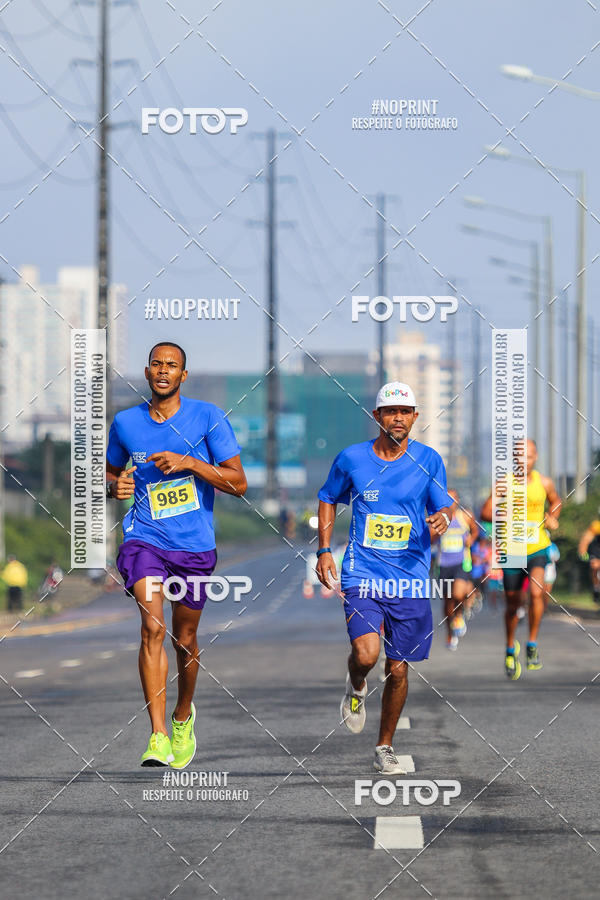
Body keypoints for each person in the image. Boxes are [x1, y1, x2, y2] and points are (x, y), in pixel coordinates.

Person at [106, 342, 247, 768]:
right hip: (144, 538)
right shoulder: (125, 423)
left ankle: (183, 714)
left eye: (172, 365)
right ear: (147, 372)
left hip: (193, 546)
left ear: (183, 375)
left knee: (184, 640)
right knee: (152, 627)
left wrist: (191, 463)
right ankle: (158, 735)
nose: (164, 370)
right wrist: (114, 486)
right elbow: (109, 474)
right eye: (157, 364)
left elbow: (238, 483)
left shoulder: (208, 417)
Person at [316, 382, 451, 775]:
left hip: (410, 577)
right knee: (366, 654)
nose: (398, 418)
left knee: (399, 668)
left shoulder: (429, 460)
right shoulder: (352, 459)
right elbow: (327, 497)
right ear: (377, 416)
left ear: (415, 417)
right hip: (363, 572)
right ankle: (356, 683)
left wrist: (443, 518)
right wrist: (324, 550)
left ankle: (384, 746)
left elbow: (444, 506)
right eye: (390, 411)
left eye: (405, 411)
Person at [481, 439, 561, 679]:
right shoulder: (504, 483)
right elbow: (485, 511)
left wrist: (552, 516)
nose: (524, 460)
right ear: (513, 458)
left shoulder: (544, 482)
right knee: (513, 604)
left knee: (536, 593)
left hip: (538, 547)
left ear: (535, 457)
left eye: (528, 455)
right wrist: (502, 515)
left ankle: (532, 643)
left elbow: (556, 501)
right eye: (519, 456)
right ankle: (509, 646)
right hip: (512, 550)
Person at [432, 489, 478, 650]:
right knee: (447, 601)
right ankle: (450, 633)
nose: (450, 502)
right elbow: (431, 538)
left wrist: (471, 539)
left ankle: (459, 615)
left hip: (461, 562)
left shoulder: (465, 516)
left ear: (457, 501)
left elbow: (475, 530)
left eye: (453, 499)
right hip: (443, 564)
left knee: (458, 594)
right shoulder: (439, 517)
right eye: (447, 498)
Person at [577, 512, 600, 603]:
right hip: (597, 551)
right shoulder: (596, 525)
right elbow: (586, 540)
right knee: (594, 565)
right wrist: (582, 552)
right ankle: (596, 587)